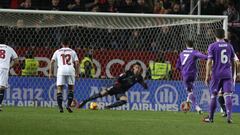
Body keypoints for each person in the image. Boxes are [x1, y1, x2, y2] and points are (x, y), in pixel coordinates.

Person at [78, 62, 148, 109]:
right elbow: (118, 78)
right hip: (115, 87)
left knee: (124, 100)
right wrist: (116, 82)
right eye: (136, 67)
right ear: (133, 68)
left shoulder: (139, 77)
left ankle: (107, 107)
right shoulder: (128, 73)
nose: (137, 69)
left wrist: (145, 85)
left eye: (139, 68)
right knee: (101, 94)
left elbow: (143, 84)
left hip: (121, 91)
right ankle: (84, 101)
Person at [204, 29, 238, 123]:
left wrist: (207, 76)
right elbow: (233, 61)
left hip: (216, 74)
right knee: (228, 95)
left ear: (215, 36)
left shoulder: (212, 46)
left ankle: (210, 118)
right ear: (224, 36)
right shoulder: (229, 46)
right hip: (227, 74)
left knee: (213, 95)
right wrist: (234, 74)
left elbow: (209, 62)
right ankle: (229, 117)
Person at [49, 37, 79, 113]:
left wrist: (50, 72)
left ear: (61, 44)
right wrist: (77, 73)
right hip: (70, 70)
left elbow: (52, 62)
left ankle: (60, 108)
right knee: (71, 89)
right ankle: (68, 105)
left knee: (59, 89)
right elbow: (77, 63)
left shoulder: (57, 51)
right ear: (68, 44)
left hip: (61, 70)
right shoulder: (72, 52)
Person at [176, 40, 207, 114]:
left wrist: (183, 70)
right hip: (193, 74)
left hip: (185, 74)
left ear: (186, 45)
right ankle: (187, 103)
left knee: (190, 91)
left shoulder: (182, 53)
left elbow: (177, 66)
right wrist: (210, 56)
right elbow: (204, 57)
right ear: (193, 45)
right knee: (191, 90)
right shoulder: (194, 52)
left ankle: (197, 107)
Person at [0, 36, 19, 111]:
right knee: (1, 87)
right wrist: (10, 66)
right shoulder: (9, 48)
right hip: (4, 68)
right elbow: (16, 61)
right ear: (5, 41)